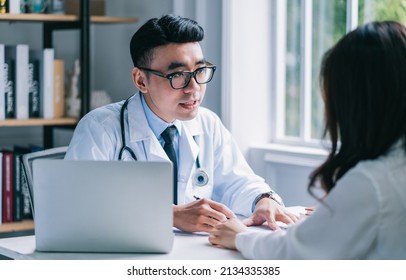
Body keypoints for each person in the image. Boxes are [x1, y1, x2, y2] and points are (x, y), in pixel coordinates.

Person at [64, 14, 298, 233]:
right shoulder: (100, 129)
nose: (194, 88)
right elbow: (77, 208)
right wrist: (169, 215)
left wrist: (263, 199)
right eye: (178, 75)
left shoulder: (208, 124)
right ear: (140, 80)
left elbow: (239, 182)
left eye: (200, 71)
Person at [208, 20, 406, 259]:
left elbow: (293, 254)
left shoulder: (371, 181)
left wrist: (240, 236)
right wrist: (333, 218)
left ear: (356, 102)